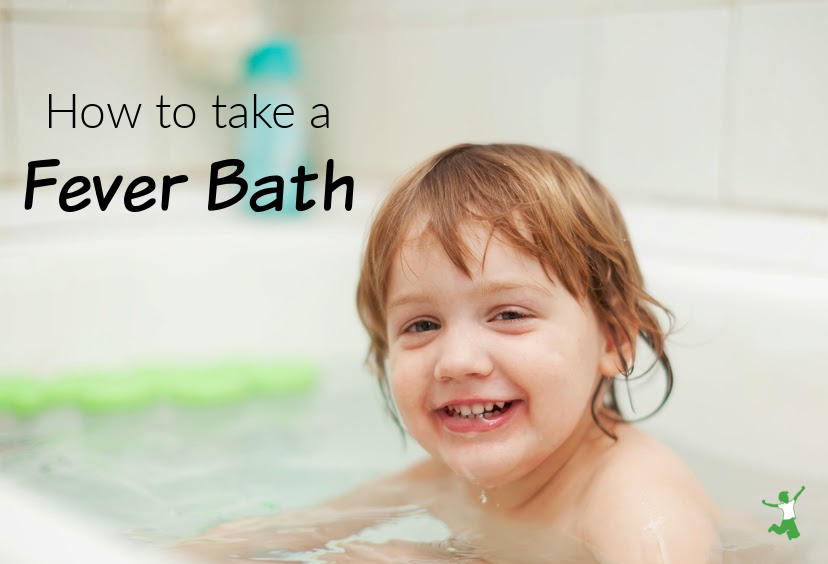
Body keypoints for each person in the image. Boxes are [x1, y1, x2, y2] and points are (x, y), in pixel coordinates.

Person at [170, 143, 722, 563]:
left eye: (509, 315)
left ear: (613, 340)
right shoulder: (442, 479)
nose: (457, 361)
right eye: (422, 324)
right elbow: (290, 530)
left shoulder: (637, 503)